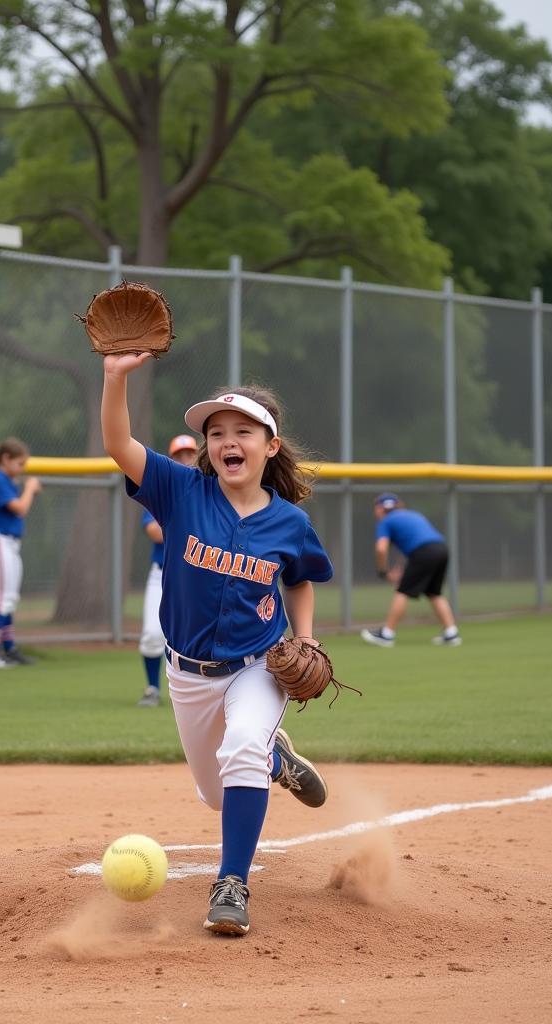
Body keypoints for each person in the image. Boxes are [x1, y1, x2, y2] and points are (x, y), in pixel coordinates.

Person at [102, 354, 334, 938]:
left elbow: (300, 577)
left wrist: (304, 639)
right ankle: (277, 759)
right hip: (188, 675)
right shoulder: (182, 491)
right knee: (215, 794)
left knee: (242, 751)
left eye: (242, 432)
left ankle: (232, 884)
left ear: (270, 446)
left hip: (257, 665)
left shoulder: (288, 523)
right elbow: (118, 442)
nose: (228, 441)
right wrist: (115, 378)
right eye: (216, 433)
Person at [137, 433, 198, 707]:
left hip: (197, 578)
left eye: (190, 454)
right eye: (179, 455)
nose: (185, 459)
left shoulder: (210, 488)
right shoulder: (162, 491)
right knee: (152, 634)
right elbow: (154, 531)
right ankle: (152, 688)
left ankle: (199, 693)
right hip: (161, 574)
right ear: (171, 459)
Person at [360, 492, 462, 647]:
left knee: (403, 591)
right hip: (441, 549)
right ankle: (451, 633)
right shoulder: (412, 514)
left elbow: (381, 549)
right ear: (398, 506)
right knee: (434, 592)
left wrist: (383, 572)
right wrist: (402, 567)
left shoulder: (385, 521)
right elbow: (416, 540)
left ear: (380, 509)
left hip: (423, 552)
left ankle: (387, 635)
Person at [0, 437, 41, 668]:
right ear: (6, 459)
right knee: (2, 598)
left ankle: (9, 648)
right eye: (19, 463)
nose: (22, 469)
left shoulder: (4, 479)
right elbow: (20, 508)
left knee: (9, 599)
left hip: (6, 543)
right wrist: (30, 489)